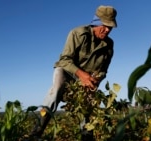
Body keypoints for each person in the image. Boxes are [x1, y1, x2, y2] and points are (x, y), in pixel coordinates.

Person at [30, 5, 117, 140]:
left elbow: (104, 70)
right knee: (55, 93)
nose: (107, 30)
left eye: (110, 27)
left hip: (88, 80)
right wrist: (82, 75)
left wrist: (96, 80)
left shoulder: (109, 45)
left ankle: (86, 137)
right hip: (67, 72)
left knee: (87, 108)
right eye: (104, 25)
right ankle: (35, 134)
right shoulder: (78, 34)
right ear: (96, 22)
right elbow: (65, 60)